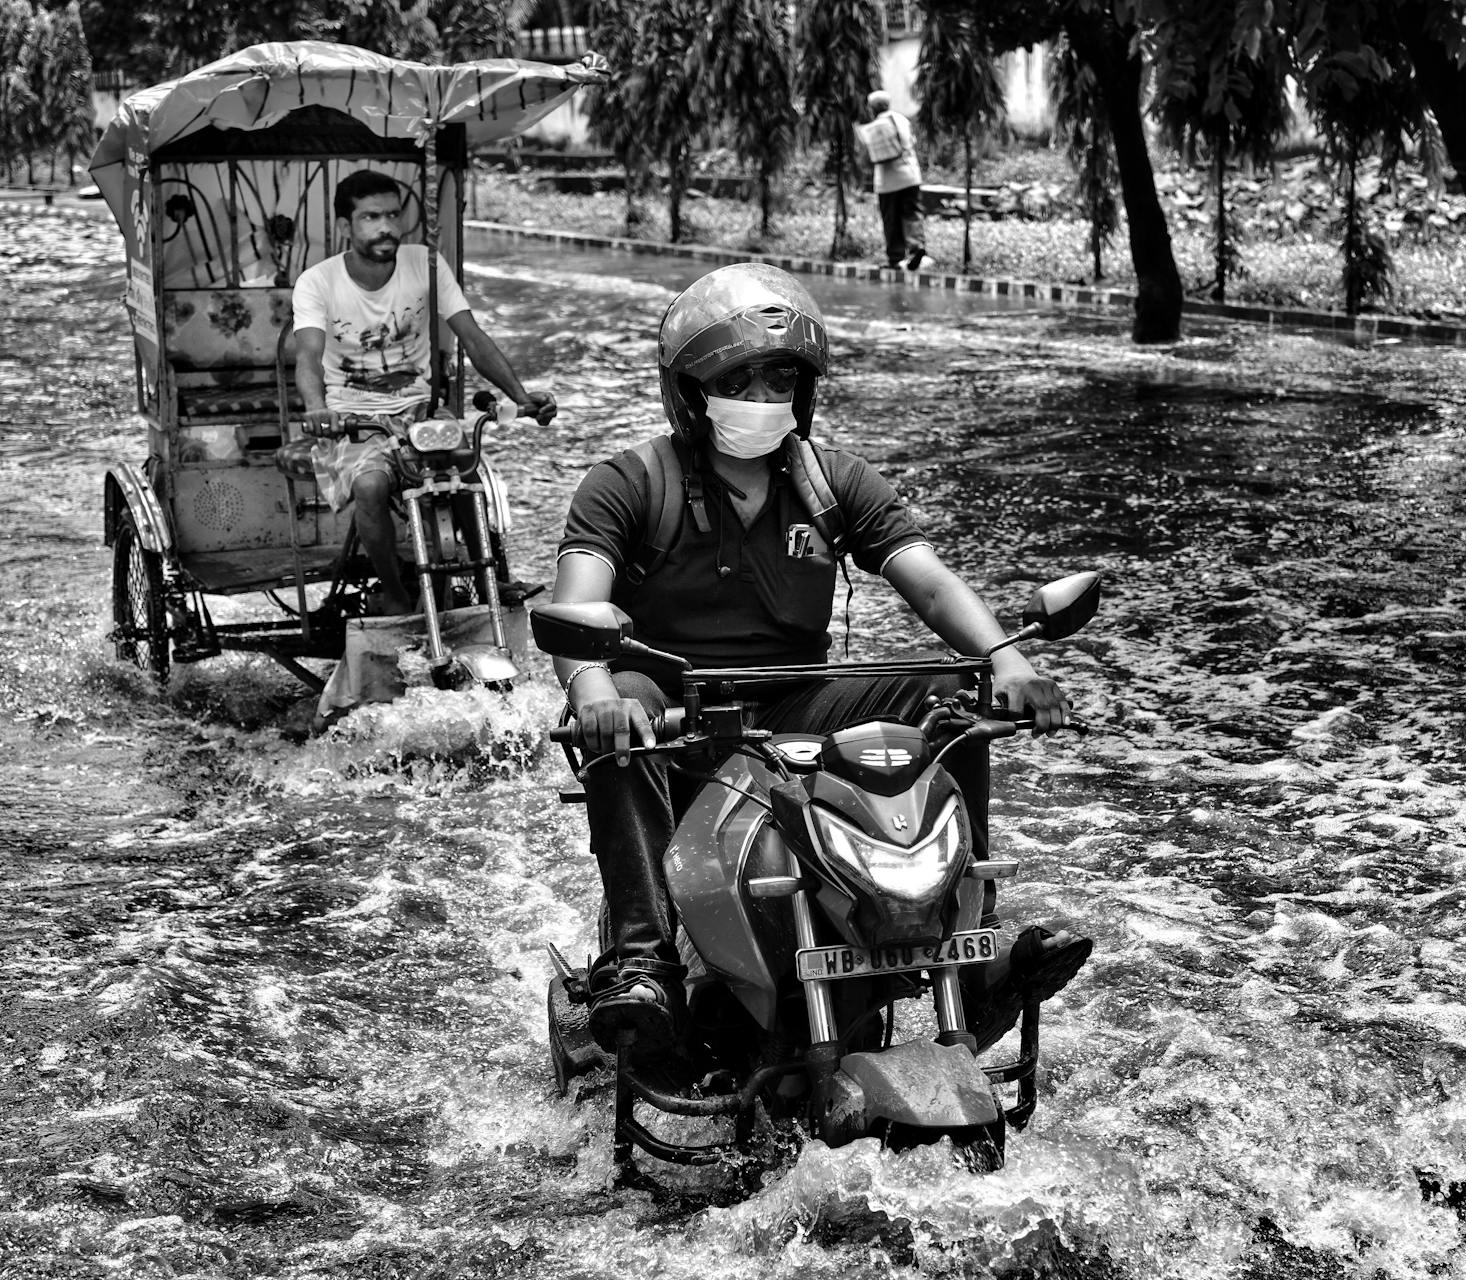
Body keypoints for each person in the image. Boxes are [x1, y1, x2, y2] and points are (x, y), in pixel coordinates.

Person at [552, 262, 1089, 1061]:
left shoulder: (834, 480)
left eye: (781, 376)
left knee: (953, 696)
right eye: (742, 376)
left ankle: (971, 948)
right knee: (616, 710)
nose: (764, 393)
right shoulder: (627, 483)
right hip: (677, 717)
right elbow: (576, 607)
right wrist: (594, 686)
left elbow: (932, 585)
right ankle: (643, 964)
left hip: (796, 709)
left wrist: (1005, 662)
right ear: (689, 390)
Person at [293, 168, 554, 616]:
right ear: (344, 226)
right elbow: (308, 357)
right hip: (354, 419)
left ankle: (493, 580)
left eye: (393, 215)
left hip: (420, 411)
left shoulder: (426, 264)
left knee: (467, 469)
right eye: (371, 217)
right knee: (371, 486)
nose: (386, 228)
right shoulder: (317, 282)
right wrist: (318, 409)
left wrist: (522, 396)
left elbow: (472, 337)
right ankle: (394, 596)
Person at [858, 90, 927, 271]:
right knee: (911, 212)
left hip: (887, 182)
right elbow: (912, 142)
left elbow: (867, 157)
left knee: (891, 219)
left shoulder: (873, 128)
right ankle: (916, 247)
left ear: (872, 108)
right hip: (910, 176)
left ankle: (895, 259)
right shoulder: (901, 120)